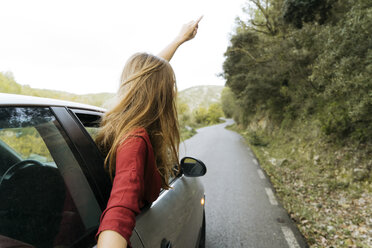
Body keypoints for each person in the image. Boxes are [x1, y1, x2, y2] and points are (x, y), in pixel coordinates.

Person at [95, 16, 203, 248]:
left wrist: (179, 40)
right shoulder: (135, 140)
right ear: (159, 93)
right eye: (171, 86)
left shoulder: (116, 124)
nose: (174, 93)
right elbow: (120, 211)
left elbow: (147, 76)